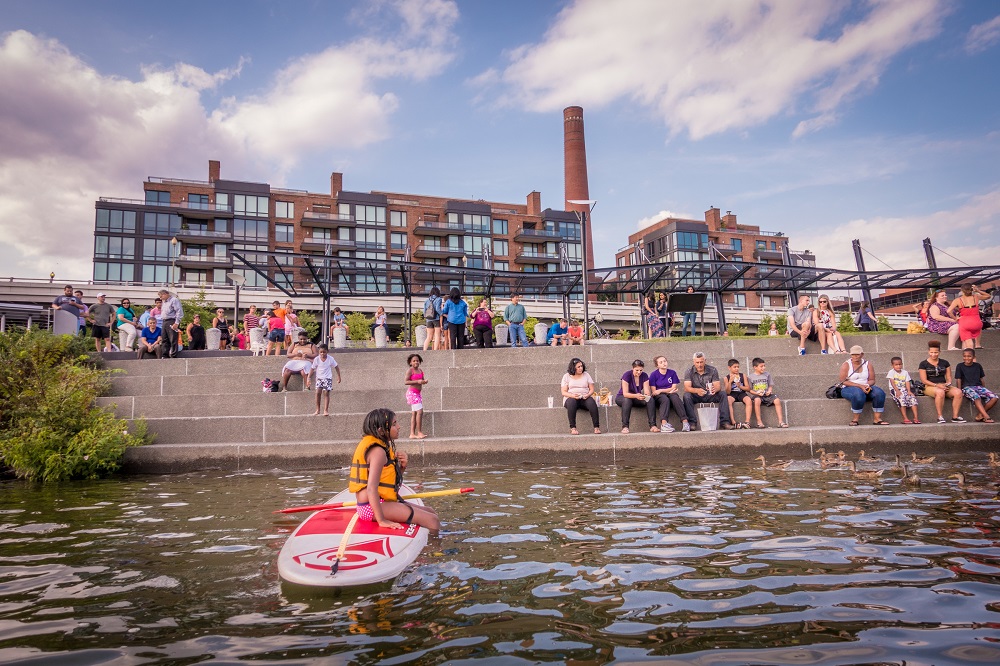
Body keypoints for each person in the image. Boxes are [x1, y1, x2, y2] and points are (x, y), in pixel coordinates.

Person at [348, 408, 439, 530]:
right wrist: (382, 520)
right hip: (370, 508)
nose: (399, 427)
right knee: (432, 520)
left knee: (430, 511)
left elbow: (388, 483)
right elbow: (371, 488)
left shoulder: (380, 447)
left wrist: (402, 468)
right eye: (394, 424)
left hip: (378, 503)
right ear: (381, 431)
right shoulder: (378, 452)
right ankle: (433, 547)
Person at [838, 345, 889, 426]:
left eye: (857, 354)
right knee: (858, 394)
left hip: (865, 386)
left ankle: (877, 419)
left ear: (862, 354)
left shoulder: (867, 364)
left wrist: (867, 385)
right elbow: (843, 381)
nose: (855, 357)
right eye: (853, 354)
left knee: (879, 393)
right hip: (849, 387)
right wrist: (859, 386)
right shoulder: (846, 364)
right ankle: (855, 419)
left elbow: (872, 380)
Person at [683, 352, 734, 430]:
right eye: (697, 362)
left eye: (701, 362)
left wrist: (715, 389)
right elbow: (687, 388)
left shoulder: (712, 370)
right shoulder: (689, 371)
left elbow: (717, 386)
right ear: (694, 362)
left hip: (709, 394)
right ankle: (692, 422)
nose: (699, 365)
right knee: (686, 396)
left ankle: (725, 422)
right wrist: (696, 390)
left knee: (723, 394)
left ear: (705, 361)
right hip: (696, 395)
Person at [919, 339, 964, 423]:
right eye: (931, 352)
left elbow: (949, 377)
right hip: (930, 386)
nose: (933, 354)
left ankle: (955, 416)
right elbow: (924, 380)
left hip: (944, 385)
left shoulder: (945, 362)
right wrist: (937, 385)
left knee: (958, 392)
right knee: (940, 392)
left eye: (936, 352)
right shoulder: (923, 364)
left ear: (939, 352)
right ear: (928, 352)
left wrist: (948, 384)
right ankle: (940, 416)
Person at [954, 349, 997, 423]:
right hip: (966, 387)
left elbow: (981, 378)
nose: (966, 358)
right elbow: (958, 379)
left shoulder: (978, 366)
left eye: (969, 356)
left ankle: (980, 415)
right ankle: (986, 417)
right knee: (976, 397)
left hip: (978, 387)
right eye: (965, 356)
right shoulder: (960, 366)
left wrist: (984, 388)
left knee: (994, 397)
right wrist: (959, 390)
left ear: (974, 357)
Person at [561, 357, 600, 435]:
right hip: (571, 397)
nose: (580, 368)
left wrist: (588, 394)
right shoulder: (566, 376)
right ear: (573, 368)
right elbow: (563, 392)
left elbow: (592, 389)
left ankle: (596, 427)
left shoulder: (586, 375)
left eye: (581, 366)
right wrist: (572, 395)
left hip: (584, 397)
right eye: (578, 367)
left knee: (592, 403)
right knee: (571, 402)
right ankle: (573, 428)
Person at [616, 359, 657, 434]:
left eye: (641, 370)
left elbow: (646, 390)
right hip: (623, 397)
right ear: (633, 368)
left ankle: (653, 425)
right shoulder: (627, 375)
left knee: (650, 400)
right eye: (637, 370)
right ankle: (625, 426)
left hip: (636, 397)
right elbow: (625, 393)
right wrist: (636, 395)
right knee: (627, 400)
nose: (639, 372)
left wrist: (646, 395)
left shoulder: (644, 375)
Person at [649, 355, 688, 433]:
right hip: (659, 396)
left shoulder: (672, 373)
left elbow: (673, 387)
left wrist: (661, 390)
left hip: (670, 393)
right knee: (665, 399)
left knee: (675, 397)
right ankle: (664, 424)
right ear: (657, 365)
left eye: (665, 361)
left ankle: (685, 422)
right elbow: (654, 392)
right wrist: (665, 391)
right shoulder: (653, 375)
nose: (664, 363)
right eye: (661, 362)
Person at [747, 358, 788, 428]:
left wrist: (769, 391)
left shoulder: (767, 374)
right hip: (757, 395)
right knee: (757, 400)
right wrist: (757, 393)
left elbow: (770, 385)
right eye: (761, 366)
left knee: (777, 400)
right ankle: (759, 422)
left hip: (767, 394)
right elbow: (750, 390)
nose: (763, 368)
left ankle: (781, 422)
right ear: (755, 367)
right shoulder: (750, 377)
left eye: (764, 366)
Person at [948, 284, 990, 350]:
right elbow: (988, 296)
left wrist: (955, 318)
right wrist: (978, 290)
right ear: (971, 289)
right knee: (978, 329)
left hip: (965, 323)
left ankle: (971, 352)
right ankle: (978, 344)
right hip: (976, 322)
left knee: (969, 346)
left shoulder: (958, 300)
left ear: (962, 291)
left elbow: (949, 311)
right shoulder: (976, 297)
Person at [886, 356, 920, 424]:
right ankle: (905, 418)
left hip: (904, 389)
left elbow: (907, 382)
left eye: (900, 364)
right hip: (895, 389)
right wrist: (897, 391)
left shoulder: (905, 372)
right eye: (896, 365)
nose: (898, 366)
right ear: (892, 365)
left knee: (912, 398)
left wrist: (909, 391)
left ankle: (916, 418)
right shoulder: (891, 372)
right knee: (901, 399)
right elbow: (892, 382)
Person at [310, 344, 341, 416]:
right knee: (318, 392)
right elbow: (312, 368)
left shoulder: (330, 359)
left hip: (327, 378)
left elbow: (336, 367)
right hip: (319, 378)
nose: (322, 354)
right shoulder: (317, 359)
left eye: (324, 352)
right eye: (321, 352)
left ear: (327, 351)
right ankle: (317, 409)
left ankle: (326, 410)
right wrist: (308, 377)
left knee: (326, 392)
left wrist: (339, 376)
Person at [723, 359, 753, 428]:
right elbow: (727, 391)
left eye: (738, 367)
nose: (737, 369)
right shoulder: (726, 378)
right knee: (728, 399)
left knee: (748, 400)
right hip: (732, 393)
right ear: (729, 368)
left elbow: (748, 388)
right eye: (735, 367)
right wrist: (730, 382)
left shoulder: (743, 376)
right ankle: (733, 422)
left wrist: (740, 386)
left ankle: (747, 422)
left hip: (741, 392)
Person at [405, 353, 428, 439]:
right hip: (412, 393)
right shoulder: (410, 370)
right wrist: (417, 381)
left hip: (418, 394)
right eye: (414, 361)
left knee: (414, 413)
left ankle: (412, 434)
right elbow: (406, 382)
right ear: (410, 362)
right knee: (420, 412)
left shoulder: (420, 370)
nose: (416, 362)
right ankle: (419, 432)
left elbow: (421, 380)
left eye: (417, 361)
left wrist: (424, 381)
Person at [159, 289, 183, 358]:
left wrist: (177, 322)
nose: (161, 298)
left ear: (165, 294)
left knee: (173, 338)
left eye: (161, 296)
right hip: (164, 321)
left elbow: (179, 311)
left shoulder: (174, 300)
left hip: (172, 320)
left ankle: (173, 354)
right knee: (164, 338)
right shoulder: (164, 302)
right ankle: (165, 354)